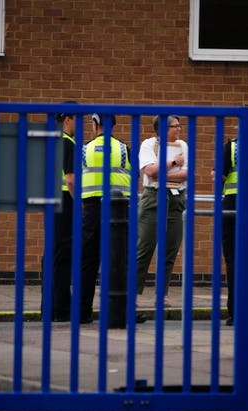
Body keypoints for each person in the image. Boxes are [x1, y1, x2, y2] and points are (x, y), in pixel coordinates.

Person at [80, 113, 136, 323]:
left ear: (95, 125)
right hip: (119, 210)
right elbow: (134, 177)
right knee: (120, 261)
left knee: (88, 261)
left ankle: (83, 313)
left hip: (92, 209)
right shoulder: (123, 149)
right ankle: (120, 312)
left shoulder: (84, 149)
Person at [136, 115, 188, 308]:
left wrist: (162, 172)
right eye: (175, 126)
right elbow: (149, 171)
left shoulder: (183, 146)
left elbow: (186, 174)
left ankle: (162, 294)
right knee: (144, 248)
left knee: (170, 250)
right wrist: (174, 163)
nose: (179, 129)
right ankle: (133, 293)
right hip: (154, 198)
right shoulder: (149, 145)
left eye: (180, 126)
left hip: (176, 199)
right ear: (163, 129)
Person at [50, 102, 77, 322]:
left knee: (54, 255)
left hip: (52, 203)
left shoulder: (53, 140)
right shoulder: (68, 143)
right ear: (68, 119)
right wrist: (81, 203)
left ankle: (50, 307)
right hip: (66, 203)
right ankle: (61, 309)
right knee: (63, 256)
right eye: (78, 118)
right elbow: (70, 179)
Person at [220, 138, 238, 326]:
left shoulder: (231, 147)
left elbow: (218, 176)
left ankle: (235, 311)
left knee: (232, 259)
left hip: (232, 205)